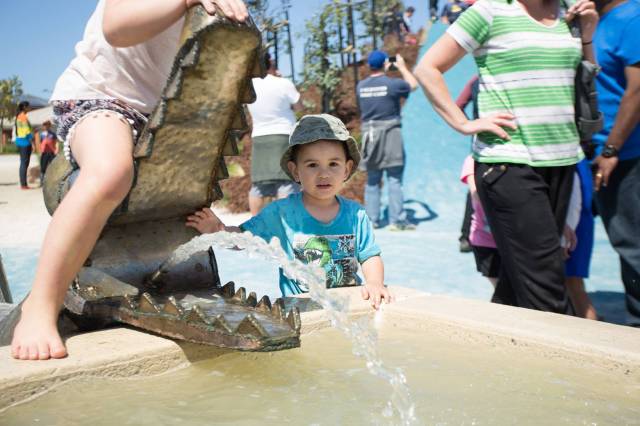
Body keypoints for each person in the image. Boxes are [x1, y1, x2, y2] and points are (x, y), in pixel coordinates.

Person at [10, 0, 249, 361]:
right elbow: (116, 28)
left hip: (156, 116)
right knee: (110, 173)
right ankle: (41, 304)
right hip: (100, 96)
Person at [414, 0, 598, 313]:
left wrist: (587, 35)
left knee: (519, 282)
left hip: (562, 161)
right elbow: (427, 68)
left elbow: (582, 78)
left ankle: (494, 351)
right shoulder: (490, 11)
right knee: (547, 289)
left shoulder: (568, 12)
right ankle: (557, 360)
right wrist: (464, 123)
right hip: (509, 163)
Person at [187, 114, 392, 308]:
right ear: (296, 171)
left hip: (348, 305)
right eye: (312, 165)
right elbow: (244, 239)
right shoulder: (282, 213)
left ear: (346, 169)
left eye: (333, 164)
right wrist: (219, 229)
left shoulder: (355, 214)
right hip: (302, 309)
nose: (323, 174)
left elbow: (369, 255)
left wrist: (375, 282)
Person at [592, 0, 640, 326]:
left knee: (634, 245)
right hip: (597, 152)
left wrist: (612, 150)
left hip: (626, 156)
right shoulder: (599, 20)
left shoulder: (633, 17)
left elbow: (637, 89)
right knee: (625, 243)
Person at [357, 50, 418, 231]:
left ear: (369, 66)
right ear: (386, 63)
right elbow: (413, 84)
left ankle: (371, 221)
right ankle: (397, 221)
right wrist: (402, 67)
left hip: (370, 135)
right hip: (391, 133)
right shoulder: (393, 84)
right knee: (394, 178)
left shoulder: (360, 86)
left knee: (373, 179)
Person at [246, 52, 300, 216]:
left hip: (259, 137)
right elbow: (299, 107)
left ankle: (253, 223)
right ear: (270, 63)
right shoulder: (283, 83)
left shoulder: (249, 86)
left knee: (259, 184)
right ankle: (285, 222)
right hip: (283, 135)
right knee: (285, 181)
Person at [562, 160, 598, 320]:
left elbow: (574, 203)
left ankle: (592, 336)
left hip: (570, 232)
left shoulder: (569, 159)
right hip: (574, 227)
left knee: (574, 286)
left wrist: (563, 241)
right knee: (573, 287)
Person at [460, 155, 500, 288]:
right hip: (484, 240)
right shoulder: (472, 160)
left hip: (506, 240)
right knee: (495, 279)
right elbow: (475, 192)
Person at [455, 75, 479, 253]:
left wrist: (471, 125)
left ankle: (466, 237)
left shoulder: (475, 80)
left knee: (474, 188)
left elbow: (458, 105)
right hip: (511, 141)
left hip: (481, 141)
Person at [14, 101, 34, 190]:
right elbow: (26, 131)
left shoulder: (19, 116)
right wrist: (32, 141)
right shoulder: (23, 117)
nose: (30, 108)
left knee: (23, 163)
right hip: (25, 142)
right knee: (24, 164)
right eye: (29, 106)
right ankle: (23, 184)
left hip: (20, 142)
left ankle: (23, 184)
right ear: (25, 107)